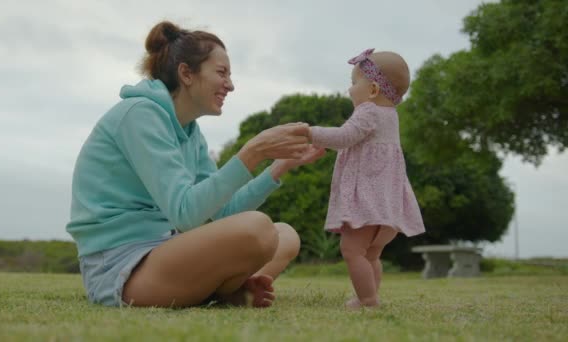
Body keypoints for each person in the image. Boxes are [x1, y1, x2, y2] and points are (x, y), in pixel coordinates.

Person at [66, 20, 325, 308]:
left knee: (284, 235)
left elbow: (224, 212)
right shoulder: (140, 115)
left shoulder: (190, 131)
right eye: (221, 73)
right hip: (121, 267)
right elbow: (185, 214)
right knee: (258, 229)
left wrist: (279, 165)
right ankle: (223, 291)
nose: (230, 85)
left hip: (165, 252)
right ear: (186, 74)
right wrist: (252, 152)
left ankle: (227, 292)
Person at [308, 49, 425, 309]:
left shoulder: (369, 111)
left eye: (353, 83)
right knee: (371, 254)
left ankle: (368, 300)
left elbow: (344, 137)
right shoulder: (390, 116)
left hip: (367, 203)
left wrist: (309, 133)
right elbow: (358, 146)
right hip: (388, 204)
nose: (350, 90)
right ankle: (370, 297)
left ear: (372, 89)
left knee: (352, 251)